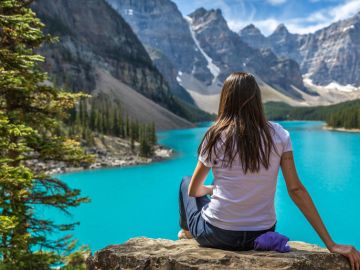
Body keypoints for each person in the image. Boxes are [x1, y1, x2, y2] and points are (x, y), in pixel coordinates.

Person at [178, 72, 360, 270]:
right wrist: (331, 244)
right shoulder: (280, 134)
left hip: (218, 234)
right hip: (262, 232)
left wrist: (211, 189)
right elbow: (295, 189)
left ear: (226, 99)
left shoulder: (215, 135)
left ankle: (188, 232)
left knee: (186, 182)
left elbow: (193, 192)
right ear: (257, 99)